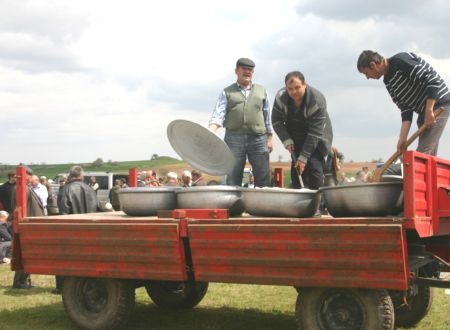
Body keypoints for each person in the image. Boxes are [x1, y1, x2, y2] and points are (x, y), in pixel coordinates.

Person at [357, 50, 450, 156]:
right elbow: (405, 109)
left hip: (439, 104)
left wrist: (429, 110)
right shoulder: (387, 81)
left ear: (373, 65)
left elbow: (432, 80)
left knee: (423, 153)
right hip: (424, 112)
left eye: (366, 73)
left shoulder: (401, 61)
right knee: (429, 154)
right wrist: (402, 138)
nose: (367, 78)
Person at [209, 57, 273, 187]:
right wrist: (210, 132)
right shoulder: (227, 91)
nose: (247, 72)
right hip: (234, 138)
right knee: (233, 176)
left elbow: (267, 116)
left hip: (258, 138)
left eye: (250, 70)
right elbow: (218, 114)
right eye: (244, 69)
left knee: (263, 175)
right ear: (236, 71)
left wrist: (270, 138)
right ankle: (234, 206)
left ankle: (260, 206)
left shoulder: (262, 90)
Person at [272, 71, 333, 191]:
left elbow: (315, 133)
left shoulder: (317, 100)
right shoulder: (281, 97)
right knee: (297, 173)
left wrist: (303, 158)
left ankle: (318, 204)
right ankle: (300, 204)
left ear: (305, 84)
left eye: (297, 87)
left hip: (316, 140)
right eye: (290, 89)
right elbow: (276, 121)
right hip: (294, 138)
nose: (294, 92)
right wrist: (286, 139)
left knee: (314, 170)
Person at [55, 165, 102, 294]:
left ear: (70, 175)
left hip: (72, 232)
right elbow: (99, 209)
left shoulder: (65, 190)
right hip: (92, 232)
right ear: (81, 176)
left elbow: (64, 213)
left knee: (66, 260)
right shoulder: (90, 189)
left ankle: (62, 287)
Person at [11, 167, 45, 289]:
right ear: (27, 176)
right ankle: (20, 282)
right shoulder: (22, 189)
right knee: (24, 255)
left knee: (27, 255)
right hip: (28, 226)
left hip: (30, 225)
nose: (31, 178)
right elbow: (20, 208)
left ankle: (22, 280)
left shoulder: (25, 188)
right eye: (30, 176)